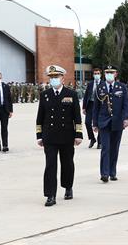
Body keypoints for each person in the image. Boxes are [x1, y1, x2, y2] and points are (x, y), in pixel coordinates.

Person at [36, 65, 83, 206]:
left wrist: (78, 134)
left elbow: (77, 117)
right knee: (50, 165)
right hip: (49, 136)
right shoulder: (45, 95)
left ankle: (68, 187)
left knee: (67, 163)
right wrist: (39, 135)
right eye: (51, 77)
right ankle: (50, 195)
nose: (53, 80)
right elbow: (40, 117)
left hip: (67, 135)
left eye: (56, 77)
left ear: (63, 78)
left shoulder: (71, 94)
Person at [93, 65, 128, 183]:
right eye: (107, 72)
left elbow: (126, 104)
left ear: (116, 74)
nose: (109, 74)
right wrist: (94, 123)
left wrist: (126, 118)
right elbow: (96, 107)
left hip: (118, 122)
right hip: (103, 122)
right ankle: (104, 173)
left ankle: (112, 172)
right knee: (105, 148)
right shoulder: (100, 87)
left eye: (111, 72)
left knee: (114, 148)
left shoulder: (122, 87)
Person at [82, 68, 102, 149]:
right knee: (87, 122)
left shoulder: (103, 83)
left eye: (98, 73)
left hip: (100, 106)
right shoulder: (90, 84)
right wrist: (84, 107)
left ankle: (100, 141)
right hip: (90, 105)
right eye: (95, 73)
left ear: (100, 74)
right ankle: (92, 139)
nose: (96, 75)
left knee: (100, 123)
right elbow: (86, 95)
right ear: (93, 75)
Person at [0, 72, 13, 152]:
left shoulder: (6, 86)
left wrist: (11, 110)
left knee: (4, 128)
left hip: (4, 110)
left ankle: (5, 145)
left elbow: (9, 99)